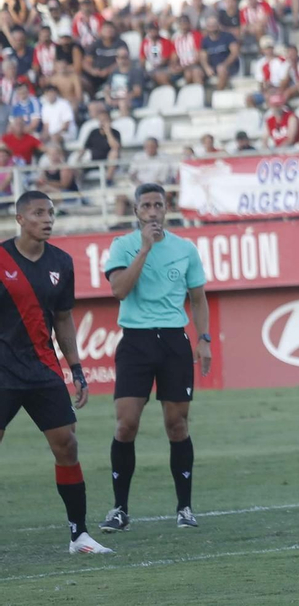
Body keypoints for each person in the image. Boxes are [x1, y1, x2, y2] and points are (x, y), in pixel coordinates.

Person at [0, 191, 114, 554]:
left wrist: (77, 370)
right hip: (2, 371)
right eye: (38, 213)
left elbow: (63, 319)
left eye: (50, 213)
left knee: (67, 445)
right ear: (20, 219)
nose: (47, 219)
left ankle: (79, 535)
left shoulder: (62, 262)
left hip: (43, 370)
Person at [99, 183, 212, 534]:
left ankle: (184, 507)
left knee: (177, 425)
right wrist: (145, 250)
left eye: (158, 205)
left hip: (174, 342)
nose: (152, 211)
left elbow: (197, 298)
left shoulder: (185, 249)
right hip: (136, 341)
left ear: (166, 209)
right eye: (145, 205)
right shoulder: (123, 246)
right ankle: (119, 509)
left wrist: (203, 339)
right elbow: (119, 290)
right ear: (136, 212)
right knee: (126, 424)